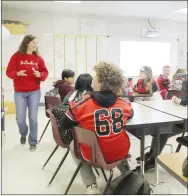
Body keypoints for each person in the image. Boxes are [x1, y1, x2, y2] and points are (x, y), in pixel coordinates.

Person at [59, 62, 134, 194]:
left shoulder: (82, 103)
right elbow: (130, 114)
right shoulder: (125, 104)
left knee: (73, 144)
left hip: (93, 155)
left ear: (101, 82)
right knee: (115, 139)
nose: (92, 79)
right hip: (121, 153)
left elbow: (64, 125)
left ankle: (91, 186)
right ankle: (127, 174)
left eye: (95, 77)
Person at [136, 76, 188, 172]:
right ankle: (151, 153)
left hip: (185, 120)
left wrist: (181, 101)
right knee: (159, 128)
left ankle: (152, 161)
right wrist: (180, 100)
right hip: (183, 115)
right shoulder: (185, 81)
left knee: (163, 131)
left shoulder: (186, 81)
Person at [6, 34, 48, 151]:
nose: (36, 45)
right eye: (34, 42)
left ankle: (33, 142)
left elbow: (45, 72)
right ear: (27, 43)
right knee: (20, 118)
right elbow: (9, 72)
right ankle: (23, 133)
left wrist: (40, 75)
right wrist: (17, 74)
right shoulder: (16, 56)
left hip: (34, 91)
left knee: (33, 118)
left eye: (37, 43)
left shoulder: (39, 59)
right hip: (19, 92)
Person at [51, 73, 93, 144]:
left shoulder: (72, 93)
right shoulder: (87, 96)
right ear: (90, 84)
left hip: (63, 131)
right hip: (73, 136)